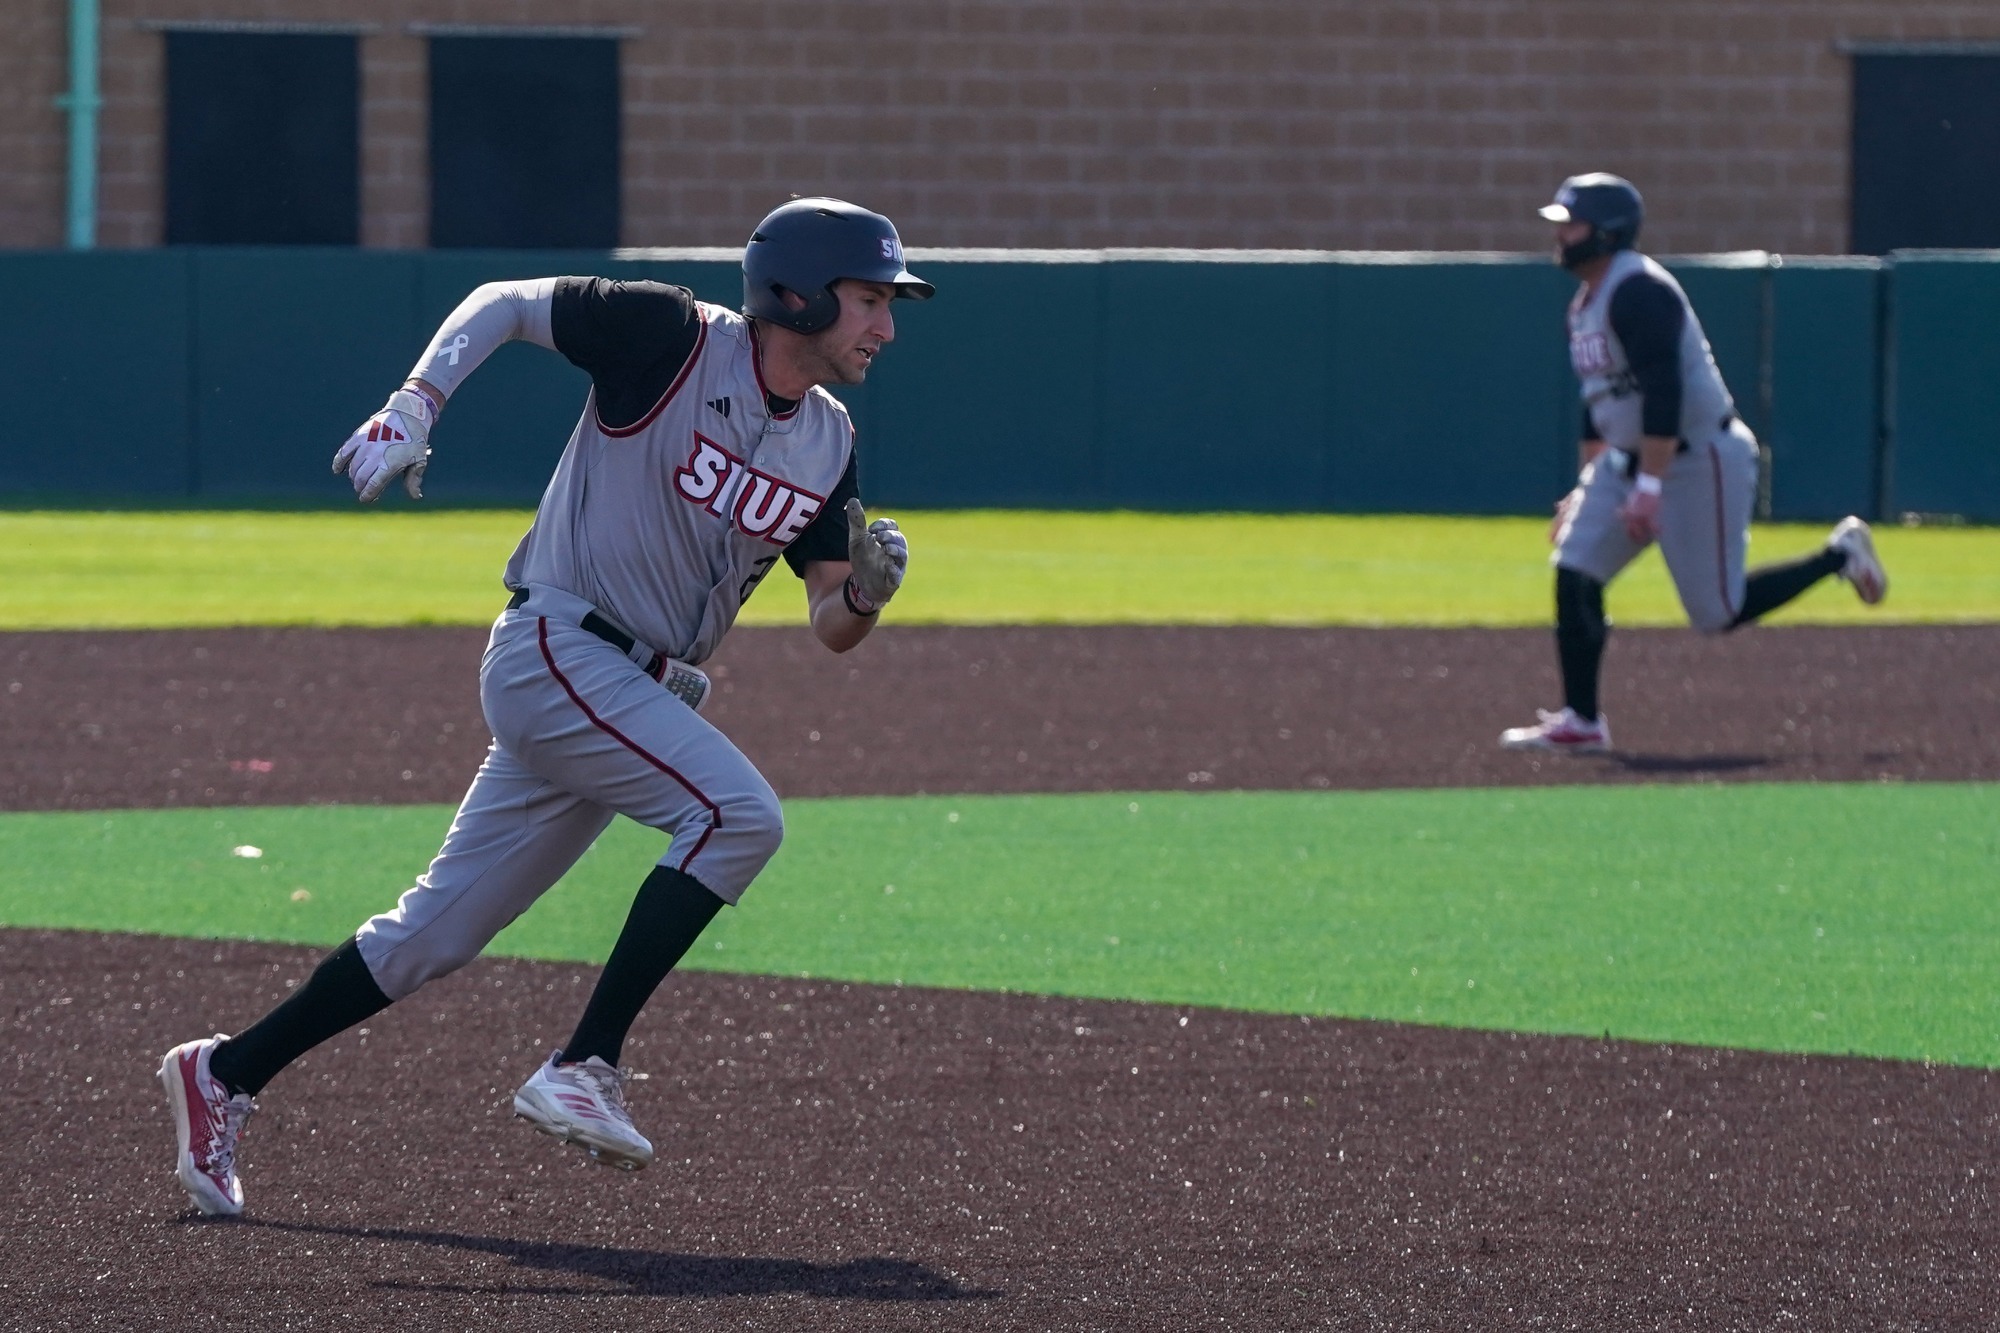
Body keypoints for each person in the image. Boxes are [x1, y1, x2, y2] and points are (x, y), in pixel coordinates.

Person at [157, 198, 934, 1216]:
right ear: (798, 295)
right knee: (737, 815)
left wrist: (866, 592)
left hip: (622, 687)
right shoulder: (672, 334)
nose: (886, 326)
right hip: (558, 648)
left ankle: (222, 1072)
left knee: (431, 935)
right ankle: (586, 1061)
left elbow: (830, 617)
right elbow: (506, 302)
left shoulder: (827, 441)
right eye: (870, 299)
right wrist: (416, 403)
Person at [1500, 173, 1888, 754]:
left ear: (1607, 232)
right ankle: (1582, 720)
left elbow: (1666, 392)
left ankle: (1840, 554)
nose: (1560, 235)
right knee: (1575, 570)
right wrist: (1587, 485)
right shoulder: (1585, 304)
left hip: (1698, 455)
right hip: (1630, 459)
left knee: (1716, 611)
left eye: (1572, 225)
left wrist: (1650, 487)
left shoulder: (1638, 290)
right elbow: (1599, 402)